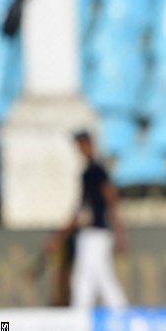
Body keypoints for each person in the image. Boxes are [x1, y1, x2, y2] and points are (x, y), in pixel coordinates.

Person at [59, 130, 128, 310]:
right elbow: (82, 208)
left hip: (96, 233)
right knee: (95, 278)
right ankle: (117, 315)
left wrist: (119, 232)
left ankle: (85, 317)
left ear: (89, 144)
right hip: (91, 233)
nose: (80, 149)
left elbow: (111, 199)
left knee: (90, 278)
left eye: (82, 144)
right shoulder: (88, 172)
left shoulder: (96, 171)